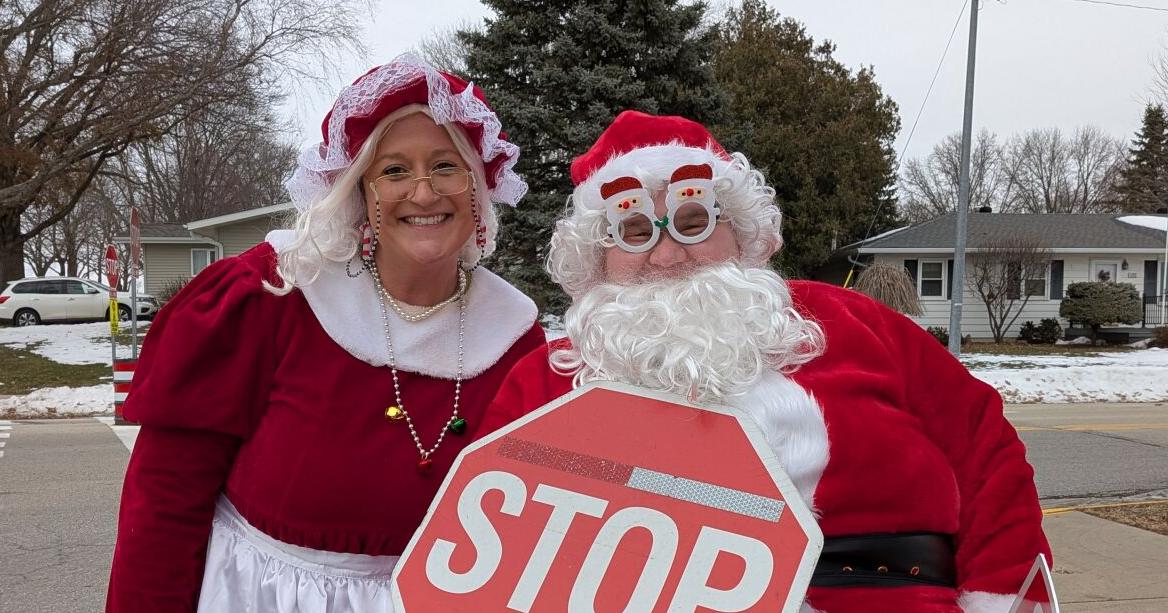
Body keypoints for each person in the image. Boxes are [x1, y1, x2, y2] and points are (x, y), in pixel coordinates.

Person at [478, 110, 1050, 612]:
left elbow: (987, 456)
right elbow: (493, 539)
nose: (669, 254)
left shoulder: (854, 324)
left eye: (693, 222)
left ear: (742, 233)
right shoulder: (550, 377)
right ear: (597, 259)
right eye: (633, 233)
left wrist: (997, 599)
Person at [107, 54, 545, 612]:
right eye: (393, 170)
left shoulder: (516, 336)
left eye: (445, 166)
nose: (424, 192)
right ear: (360, 192)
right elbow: (164, 501)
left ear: (478, 186)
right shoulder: (275, 294)